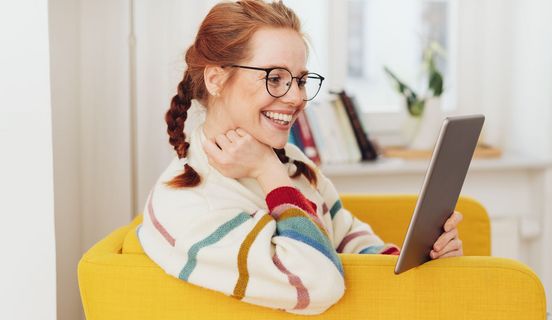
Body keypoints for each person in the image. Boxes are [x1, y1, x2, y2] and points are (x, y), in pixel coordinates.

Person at [138, 0, 463, 315]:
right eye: (275, 78)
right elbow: (318, 285)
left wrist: (420, 263)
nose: (297, 98)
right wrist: (269, 172)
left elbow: (344, 233)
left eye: (301, 80)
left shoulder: (292, 161)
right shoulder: (189, 206)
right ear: (216, 79)